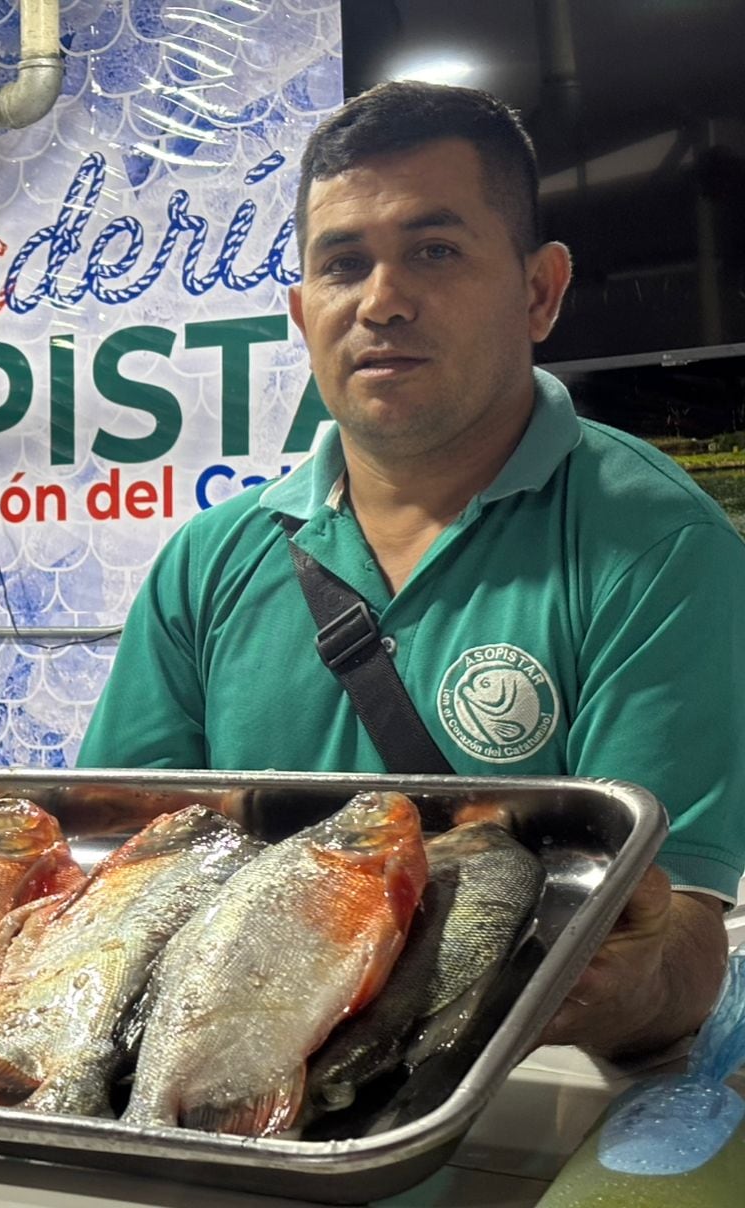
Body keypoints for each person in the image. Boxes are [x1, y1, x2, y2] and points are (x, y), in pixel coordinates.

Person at [78, 82, 741, 1058]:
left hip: (507, 1099)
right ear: (304, 316)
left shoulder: (650, 544)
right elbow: (123, 858)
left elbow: (682, 936)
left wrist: (618, 980)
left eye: (434, 250)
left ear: (538, 291)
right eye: (343, 264)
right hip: (216, 1059)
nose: (382, 300)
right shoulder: (209, 560)